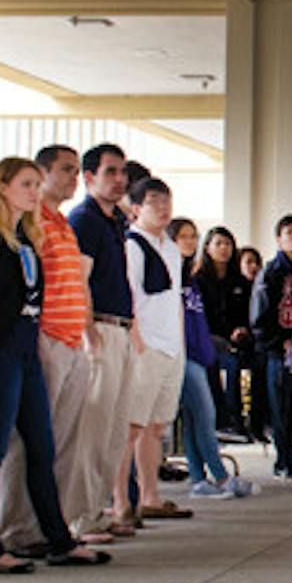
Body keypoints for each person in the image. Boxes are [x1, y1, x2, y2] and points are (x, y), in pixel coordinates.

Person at [0, 157, 112, 573]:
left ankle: (58, 539)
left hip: (25, 351)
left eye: (37, 184)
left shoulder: (27, 238)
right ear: (2, 187)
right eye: (26, 184)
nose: (34, 192)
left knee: (42, 444)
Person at [0, 145, 106, 555]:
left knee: (63, 441)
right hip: (43, 340)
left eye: (77, 171)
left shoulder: (60, 222)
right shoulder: (29, 222)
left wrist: (85, 332)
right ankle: (18, 529)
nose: (74, 178)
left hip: (69, 339)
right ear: (42, 175)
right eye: (66, 170)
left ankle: (50, 526)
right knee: (27, 441)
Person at [67, 143, 140, 540]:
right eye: (110, 172)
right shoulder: (84, 219)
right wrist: (87, 330)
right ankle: (79, 516)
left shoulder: (114, 221)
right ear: (89, 177)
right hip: (99, 329)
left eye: (122, 172)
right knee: (92, 430)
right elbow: (79, 279)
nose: (119, 180)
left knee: (113, 430)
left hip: (122, 328)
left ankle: (98, 509)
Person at [122, 178, 193, 523]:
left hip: (171, 347)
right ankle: (120, 500)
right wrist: (138, 343)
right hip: (145, 346)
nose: (163, 208)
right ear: (135, 208)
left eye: (167, 200)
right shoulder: (132, 245)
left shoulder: (171, 248)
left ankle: (151, 495)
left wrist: (179, 342)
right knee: (131, 426)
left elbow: (175, 299)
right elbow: (129, 298)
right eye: (153, 202)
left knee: (156, 426)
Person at [169, 218, 254, 500]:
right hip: (181, 356)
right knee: (205, 416)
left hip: (199, 354)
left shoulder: (188, 277)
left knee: (195, 420)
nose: (189, 242)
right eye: (183, 236)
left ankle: (197, 479)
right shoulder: (171, 274)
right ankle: (220, 476)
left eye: (193, 236)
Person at [255, 215, 292, 478]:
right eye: (289, 233)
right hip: (279, 349)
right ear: (279, 239)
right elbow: (260, 316)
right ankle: (284, 459)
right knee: (281, 407)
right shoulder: (271, 272)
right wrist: (278, 341)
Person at [195, 225, 252, 436]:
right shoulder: (198, 280)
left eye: (228, 243)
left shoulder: (240, 282)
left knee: (235, 363)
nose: (223, 248)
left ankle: (236, 421)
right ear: (207, 248)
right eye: (218, 243)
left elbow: (247, 314)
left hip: (236, 340)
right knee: (215, 362)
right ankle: (218, 419)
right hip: (206, 338)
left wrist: (241, 330)